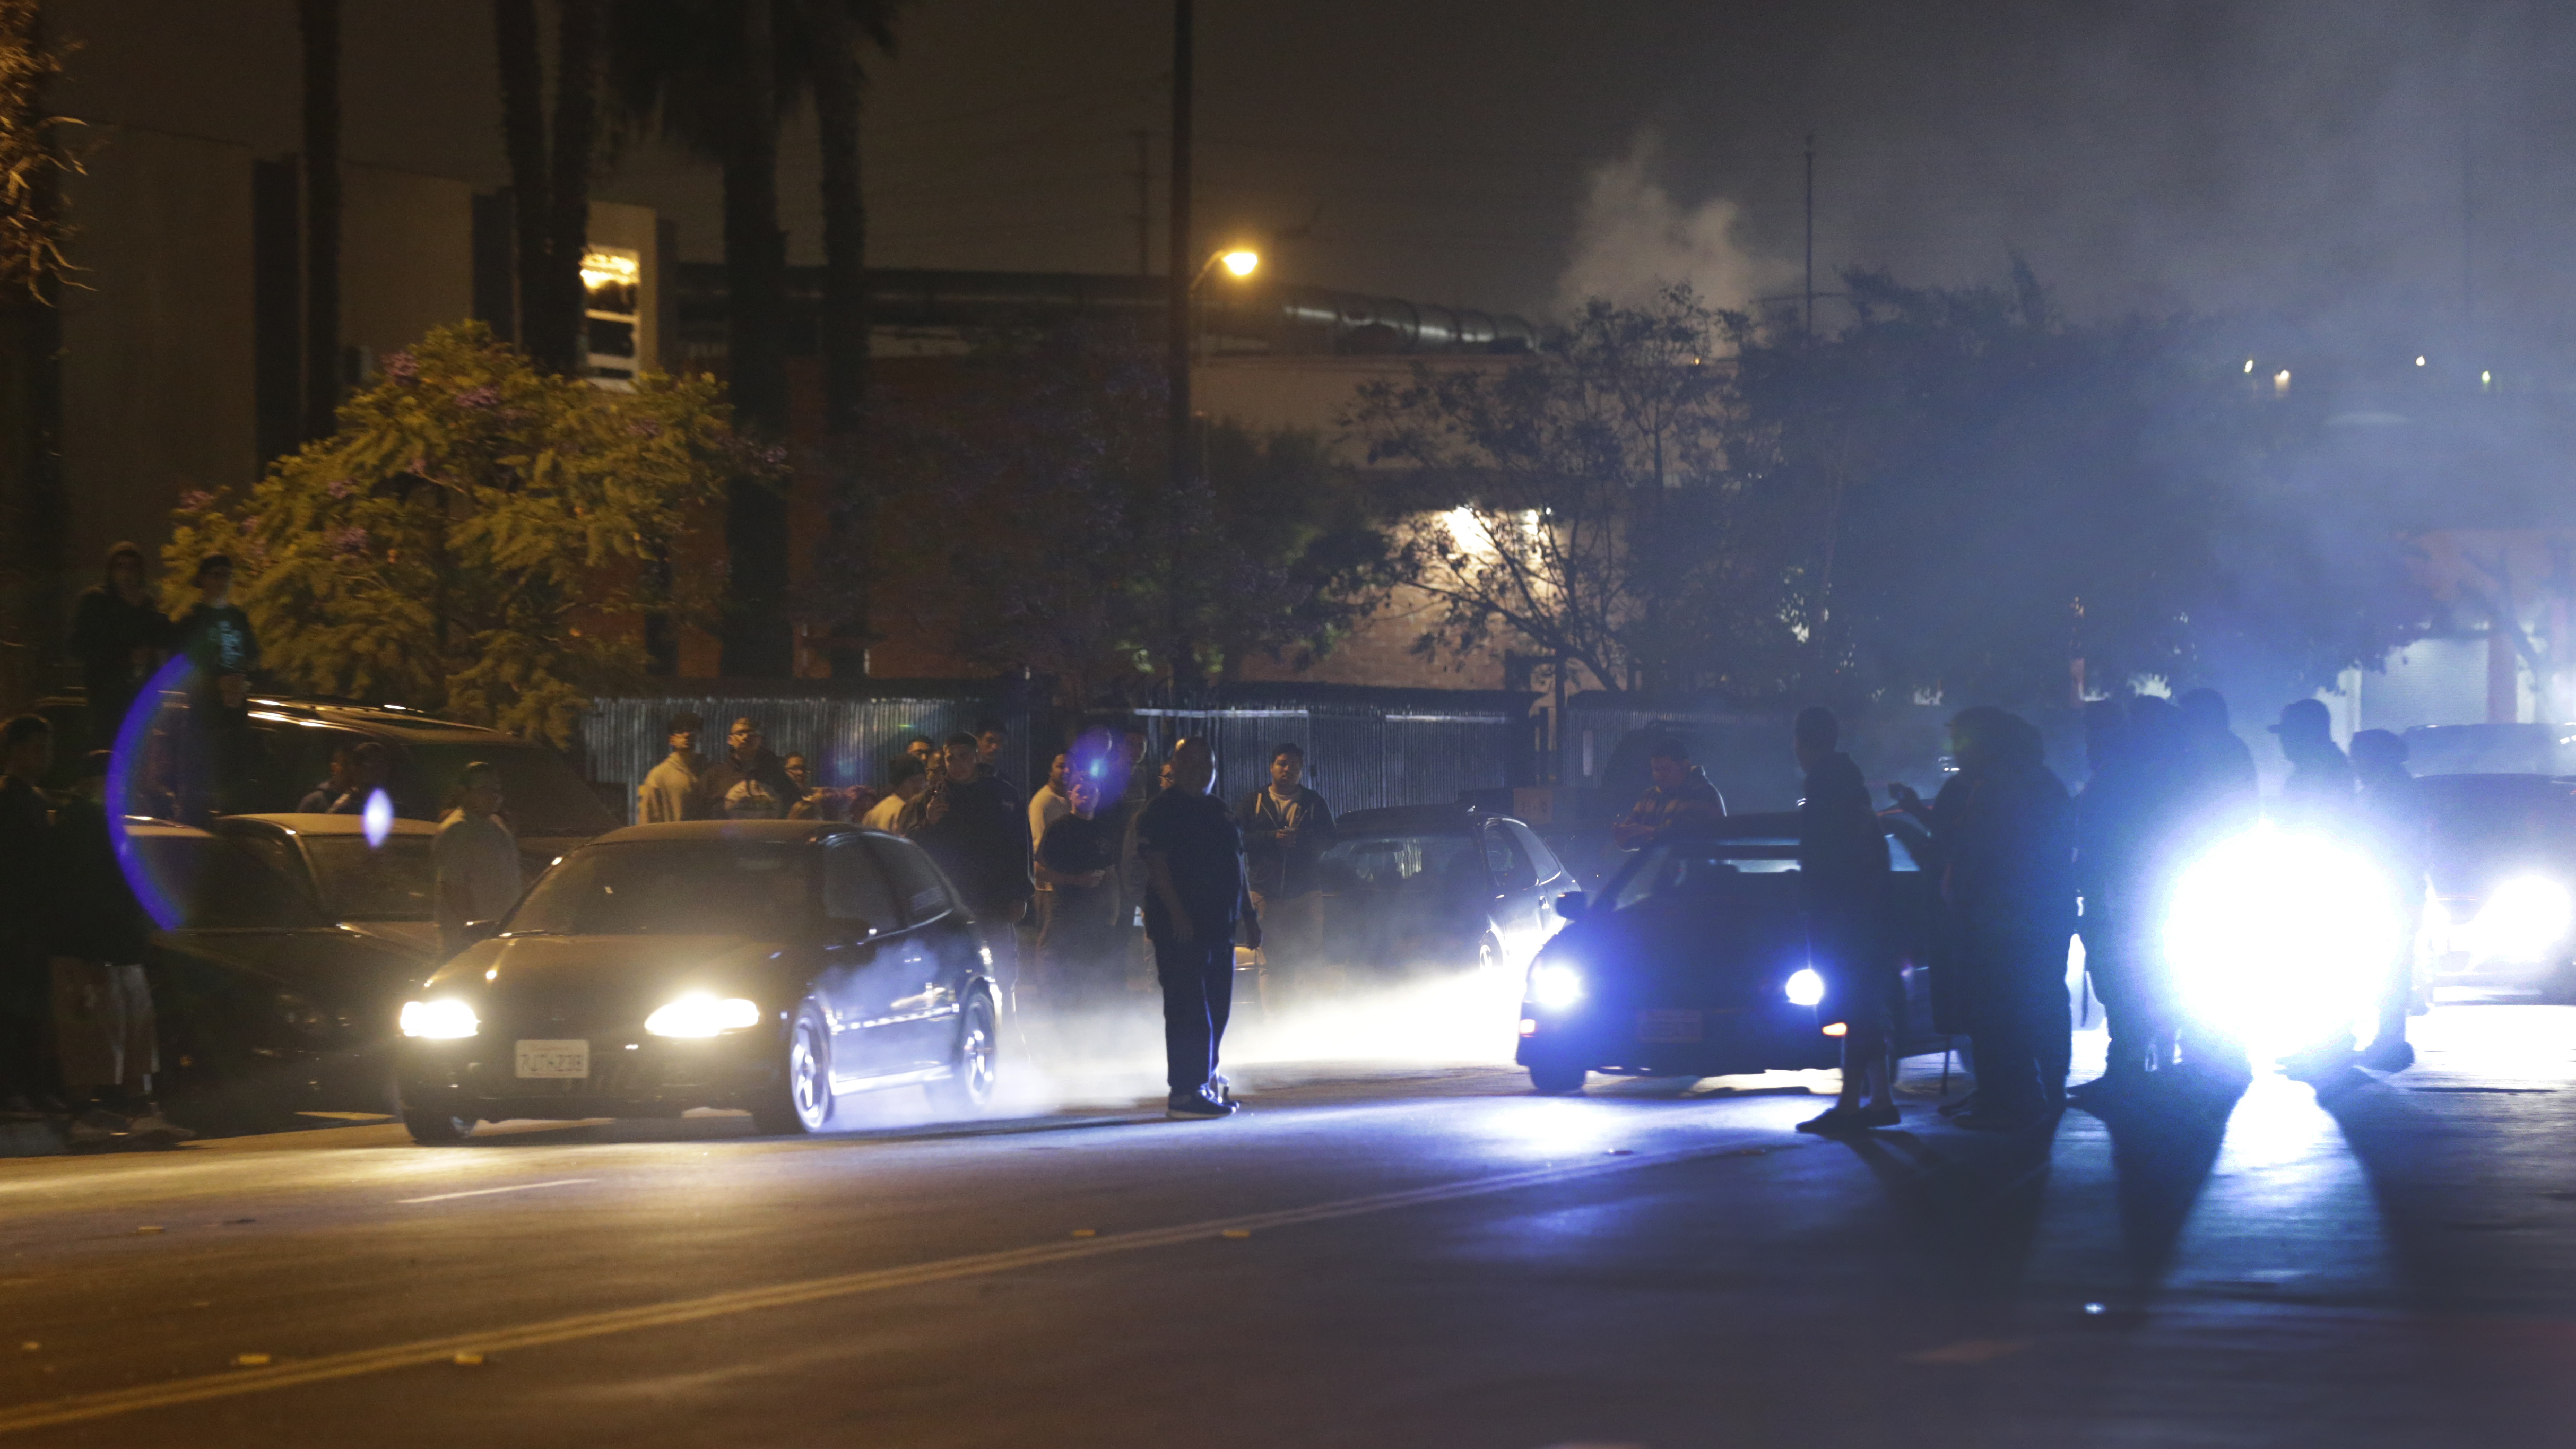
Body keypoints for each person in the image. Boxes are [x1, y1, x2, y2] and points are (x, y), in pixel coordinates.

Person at [1899, 708, 2076, 1132]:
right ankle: (2023, 1092)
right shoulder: (2028, 782)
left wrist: (1919, 839)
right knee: (2025, 1005)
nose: (1956, 751)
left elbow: (1977, 851)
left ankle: (2013, 1097)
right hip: (2026, 915)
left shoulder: (2001, 788)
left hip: (2005, 920)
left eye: (1962, 741)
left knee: (2001, 1010)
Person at [49, 751, 191, 1146]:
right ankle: (85, 1113)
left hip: (121, 950)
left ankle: (139, 1109)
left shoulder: (108, 823)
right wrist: (93, 950)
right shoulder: (81, 823)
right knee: (94, 1038)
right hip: (93, 952)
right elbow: (82, 892)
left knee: (133, 1035)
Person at [1136, 737, 1259, 1120]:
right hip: (1181, 931)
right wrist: (1177, 914)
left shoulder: (1219, 810)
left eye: (1208, 765)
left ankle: (1203, 1081)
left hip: (1218, 927)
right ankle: (1184, 1093)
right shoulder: (1162, 810)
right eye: (1191, 764)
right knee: (1189, 1009)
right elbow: (1156, 866)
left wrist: (1248, 915)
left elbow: (1237, 865)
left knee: (1217, 1009)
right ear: (1174, 766)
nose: (1200, 772)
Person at [1789, 707, 1898, 1134]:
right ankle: (1880, 1099)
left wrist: (1810, 892)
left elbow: (1826, 852)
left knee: (1853, 1005)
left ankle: (1851, 1104)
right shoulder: (1849, 782)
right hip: (1861, 909)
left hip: (1844, 913)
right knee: (1863, 1004)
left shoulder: (1826, 783)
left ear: (1801, 742)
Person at [903, 732, 1033, 955]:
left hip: (994, 898)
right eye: (950, 758)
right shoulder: (931, 799)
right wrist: (929, 822)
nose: (957, 764)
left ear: (976, 757)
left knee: (1002, 962)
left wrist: (1020, 894)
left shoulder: (1001, 794)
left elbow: (1020, 845)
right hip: (950, 899)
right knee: (955, 963)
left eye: (963, 757)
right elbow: (910, 848)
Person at [2349, 728, 2427, 1074]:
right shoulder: (2392, 788)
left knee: (2389, 968)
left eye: (2358, 756)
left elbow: (2384, 839)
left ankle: (2388, 1041)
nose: (2354, 764)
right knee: (2388, 968)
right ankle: (2387, 1040)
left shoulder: (2392, 792)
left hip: (2391, 891)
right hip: (2392, 888)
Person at [1237, 742, 1335, 999]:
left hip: (1305, 893)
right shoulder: (1254, 801)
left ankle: (1307, 1016)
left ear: (1301, 771)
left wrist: (1301, 841)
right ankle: (1274, 1020)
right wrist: (1272, 838)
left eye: (1294, 766)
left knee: (1310, 956)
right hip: (1266, 893)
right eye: (1282, 764)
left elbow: (1331, 839)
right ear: (1271, 768)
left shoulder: (1313, 802)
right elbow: (1236, 839)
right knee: (1271, 961)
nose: (1288, 770)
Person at [170, 554, 261, 821]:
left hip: (235, 718)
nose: (222, 581)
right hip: (204, 718)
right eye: (216, 575)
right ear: (202, 579)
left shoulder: (237, 617)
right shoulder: (192, 619)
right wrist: (214, 684)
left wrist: (242, 682)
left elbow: (253, 656)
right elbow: (179, 667)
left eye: (227, 575)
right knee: (199, 793)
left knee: (234, 794)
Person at [0, 716, 58, 1117]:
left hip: (36, 923)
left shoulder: (38, 800)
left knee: (35, 1010)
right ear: (14, 751)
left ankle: (34, 1089)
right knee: (12, 1010)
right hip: (13, 923)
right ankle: (12, 1091)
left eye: (47, 748)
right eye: (35, 748)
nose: (44, 757)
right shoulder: (8, 799)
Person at [68, 541, 171, 749]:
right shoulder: (96, 601)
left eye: (132, 567)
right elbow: (79, 645)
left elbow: (161, 641)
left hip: (140, 697)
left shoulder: (147, 605)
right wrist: (124, 657)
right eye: (120, 566)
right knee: (107, 751)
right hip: (106, 697)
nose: (126, 574)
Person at [1035, 775, 1121, 1010]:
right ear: (1070, 795)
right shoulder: (1059, 829)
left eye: (1093, 790)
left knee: (1094, 979)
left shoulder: (1103, 830)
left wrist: (1114, 911)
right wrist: (1076, 880)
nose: (1087, 795)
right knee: (1063, 974)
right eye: (1081, 790)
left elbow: (1111, 873)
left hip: (1098, 917)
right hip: (1066, 913)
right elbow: (1038, 870)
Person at [434, 762, 523, 959]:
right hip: (469, 943)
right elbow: (453, 886)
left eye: (496, 790)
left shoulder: (497, 826)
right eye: (485, 789)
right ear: (463, 792)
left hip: (499, 936)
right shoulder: (458, 830)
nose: (493, 796)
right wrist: (475, 927)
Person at [1611, 737, 1725, 848]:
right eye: (1656, 770)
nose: (1660, 776)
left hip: (1697, 868)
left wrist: (1643, 830)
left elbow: (1682, 832)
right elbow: (1633, 835)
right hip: (1662, 867)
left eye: (1666, 769)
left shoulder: (1702, 794)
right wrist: (1624, 835)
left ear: (1685, 766)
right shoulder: (1649, 797)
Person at [2270, 698, 2354, 827]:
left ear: (2307, 734)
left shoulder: (2325, 768)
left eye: (2288, 734)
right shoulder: (2320, 764)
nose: (2282, 741)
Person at [702, 717, 803, 821]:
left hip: (768, 837)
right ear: (730, 740)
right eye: (740, 733)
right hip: (727, 836)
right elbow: (698, 813)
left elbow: (798, 808)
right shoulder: (714, 777)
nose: (745, 737)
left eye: (751, 734)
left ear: (759, 740)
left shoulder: (776, 777)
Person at [637, 712, 706, 825]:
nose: (687, 735)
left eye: (692, 730)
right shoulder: (659, 776)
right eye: (680, 732)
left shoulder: (708, 772)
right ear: (671, 740)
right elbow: (646, 819)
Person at [861, 754, 927, 832]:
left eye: (922, 781)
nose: (919, 786)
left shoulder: (874, 813)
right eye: (914, 781)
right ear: (899, 782)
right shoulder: (908, 811)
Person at [298, 743, 358, 814]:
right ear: (334, 768)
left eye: (355, 766)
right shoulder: (314, 802)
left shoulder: (360, 801)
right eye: (346, 765)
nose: (351, 771)